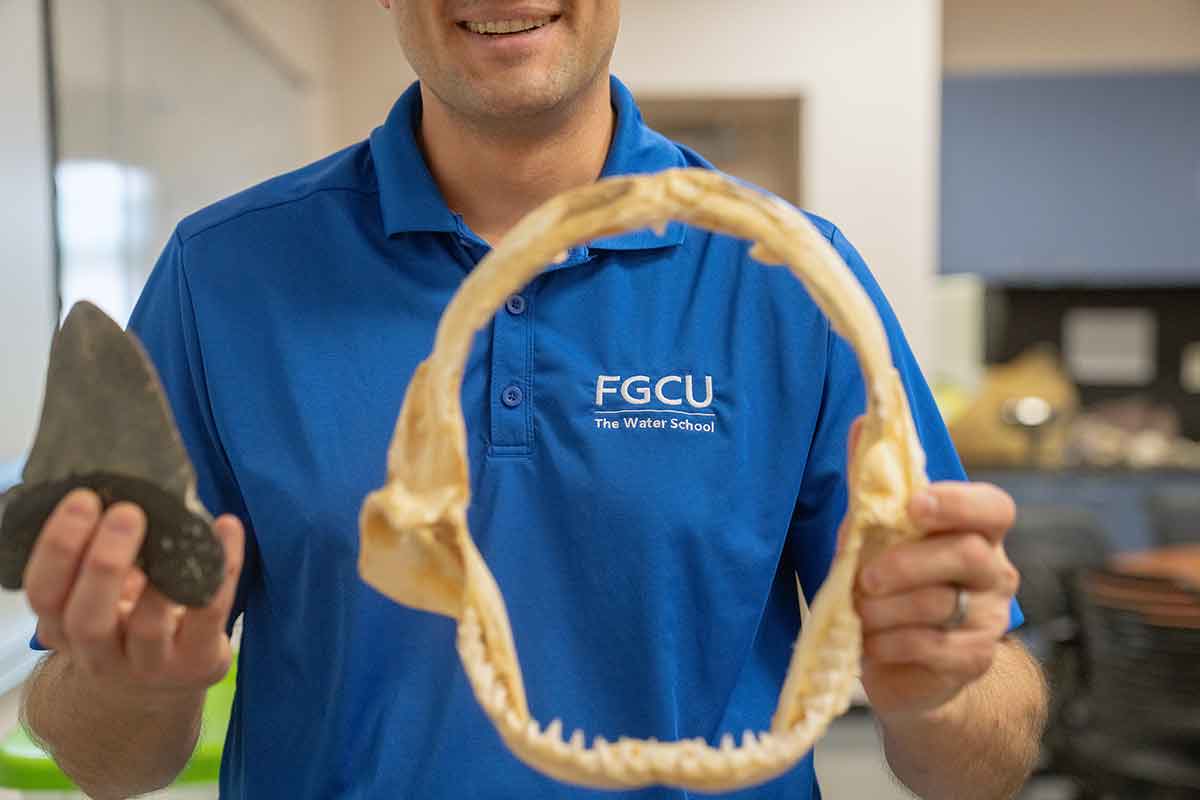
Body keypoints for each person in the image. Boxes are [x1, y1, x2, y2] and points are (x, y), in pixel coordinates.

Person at [19, 2, 1047, 798]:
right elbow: (114, 762)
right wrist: (132, 681)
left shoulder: (797, 280)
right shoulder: (220, 275)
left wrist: (944, 687)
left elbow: (982, 760)